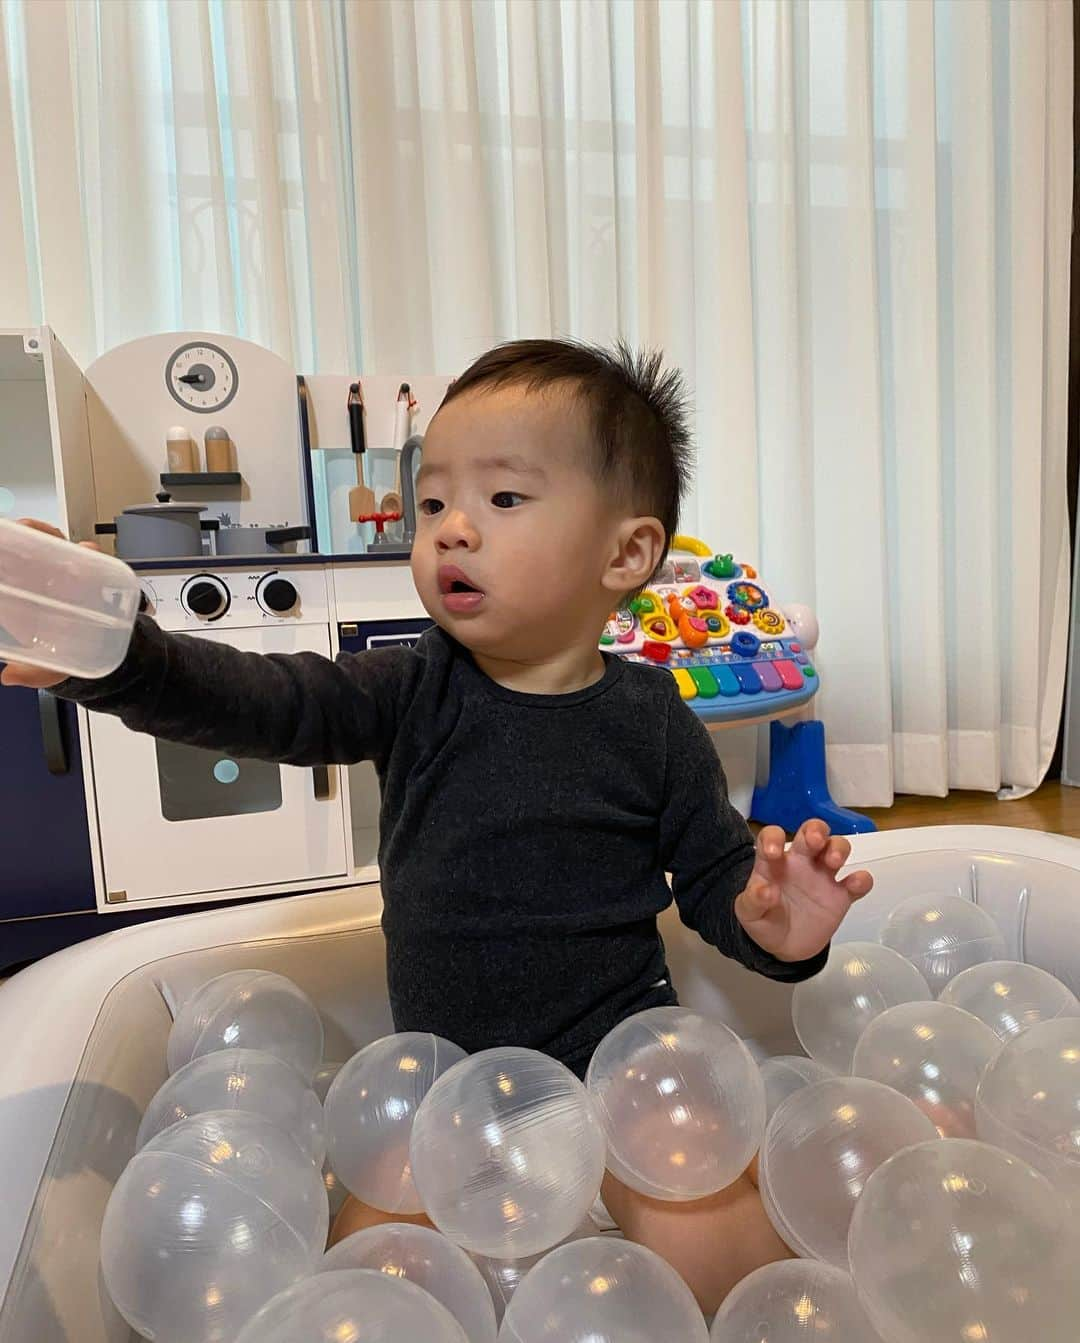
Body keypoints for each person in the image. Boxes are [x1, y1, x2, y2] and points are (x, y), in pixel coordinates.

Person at [2, 339, 871, 1307]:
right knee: (366, 1280)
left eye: (502, 500)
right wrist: (122, 656)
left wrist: (773, 928)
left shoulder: (652, 719)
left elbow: (712, 875)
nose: (451, 528)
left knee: (732, 1259)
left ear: (625, 552)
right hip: (443, 1076)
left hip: (616, 1062)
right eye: (431, 502)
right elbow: (266, 701)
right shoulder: (410, 686)